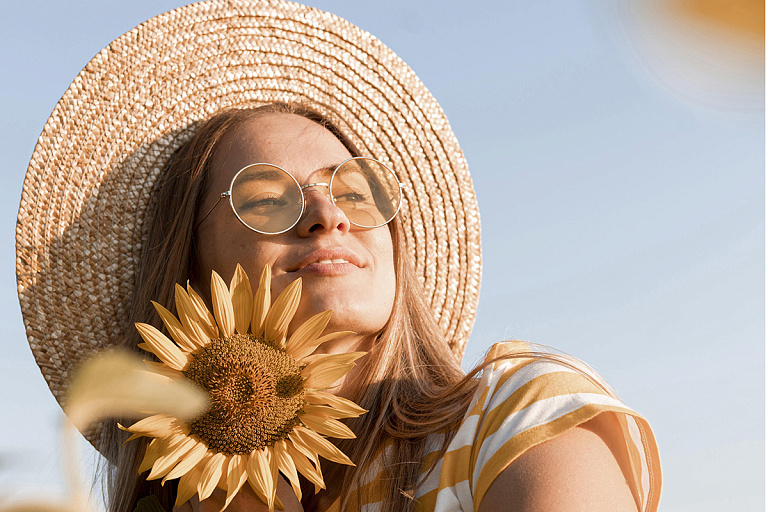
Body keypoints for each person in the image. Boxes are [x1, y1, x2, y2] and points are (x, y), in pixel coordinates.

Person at [15, 2, 660, 512]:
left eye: (356, 189)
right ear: (189, 261)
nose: (329, 214)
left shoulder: (513, 417)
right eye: (268, 199)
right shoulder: (186, 495)